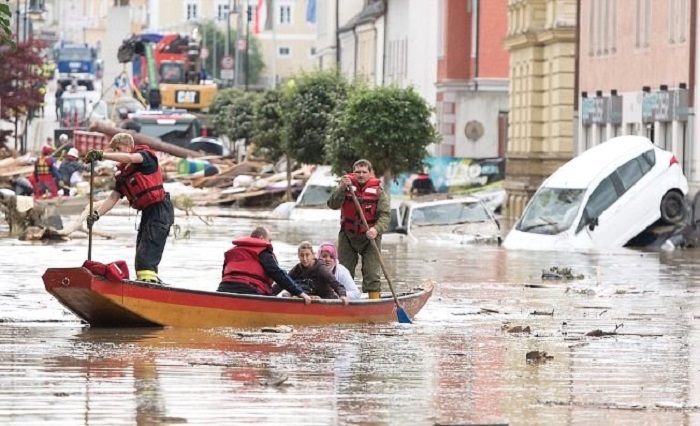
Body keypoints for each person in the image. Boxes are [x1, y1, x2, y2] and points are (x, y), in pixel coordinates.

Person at [84, 133, 175, 284]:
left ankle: (149, 285)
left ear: (128, 147)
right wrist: (96, 215)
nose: (116, 154)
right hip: (147, 212)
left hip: (160, 210)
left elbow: (131, 158)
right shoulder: (124, 175)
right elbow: (112, 198)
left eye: (118, 150)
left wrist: (102, 155)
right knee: (140, 257)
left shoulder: (144, 157)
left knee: (146, 256)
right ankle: (146, 283)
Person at [327, 159, 391, 299]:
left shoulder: (379, 192)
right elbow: (332, 204)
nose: (361, 175)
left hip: (370, 237)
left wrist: (376, 229)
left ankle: (373, 302)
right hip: (348, 235)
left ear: (370, 173)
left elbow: (385, 215)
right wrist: (341, 188)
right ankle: (341, 299)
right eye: (357, 172)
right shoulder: (344, 186)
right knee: (343, 270)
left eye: (364, 172)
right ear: (353, 173)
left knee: (372, 273)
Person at [218, 226, 312, 304]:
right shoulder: (263, 251)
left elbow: (224, 274)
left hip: (223, 288)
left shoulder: (233, 251)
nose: (270, 243)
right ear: (261, 238)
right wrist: (300, 293)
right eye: (269, 240)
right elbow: (278, 274)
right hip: (248, 290)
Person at [284, 241, 349, 304]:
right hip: (306, 299)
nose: (304, 258)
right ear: (298, 256)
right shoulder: (297, 269)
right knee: (286, 294)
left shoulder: (321, 269)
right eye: (302, 255)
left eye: (307, 255)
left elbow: (336, 283)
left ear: (313, 255)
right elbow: (283, 281)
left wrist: (343, 295)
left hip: (324, 300)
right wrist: (273, 293)